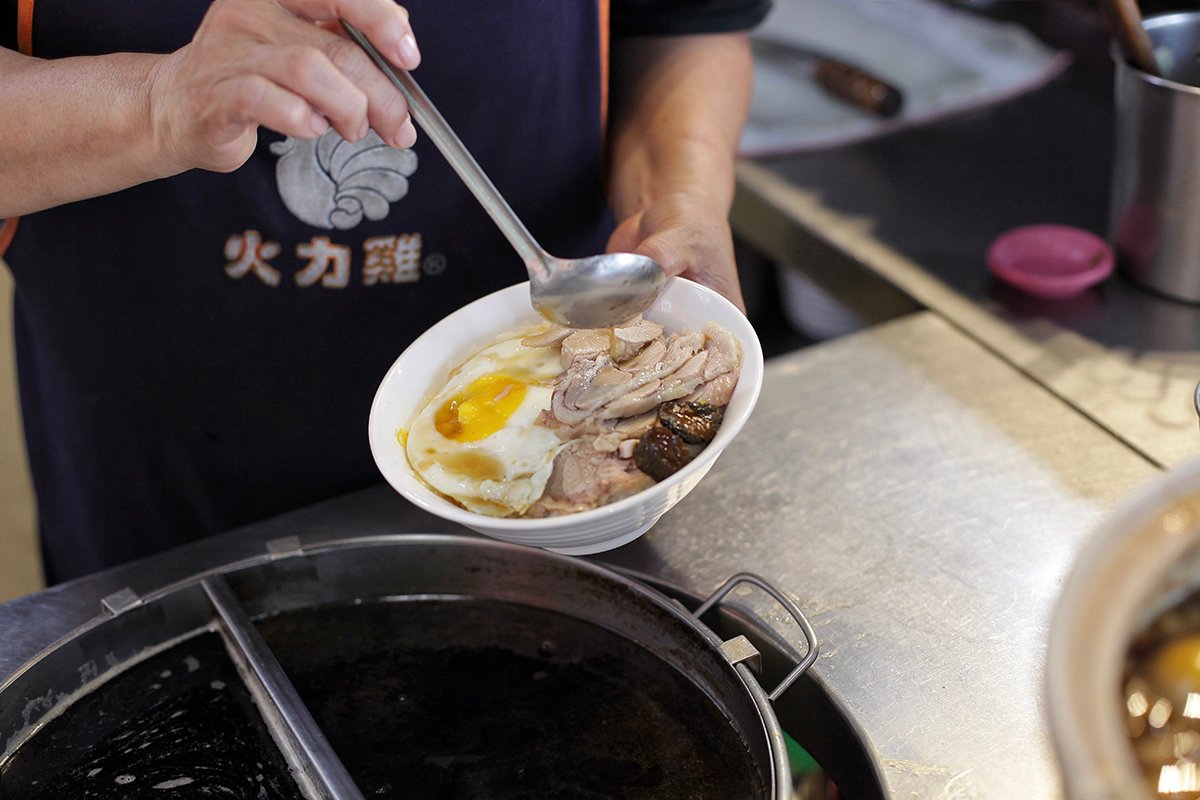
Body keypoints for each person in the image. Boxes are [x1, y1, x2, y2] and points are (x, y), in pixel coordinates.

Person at [0, 0, 769, 583]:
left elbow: (682, 23)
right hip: (166, 488)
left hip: (573, 485)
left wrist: (683, 193)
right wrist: (158, 101)